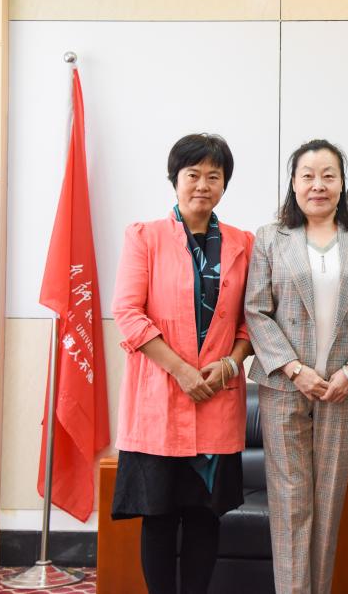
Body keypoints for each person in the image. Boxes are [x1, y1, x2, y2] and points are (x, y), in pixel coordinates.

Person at [244, 139, 348, 594]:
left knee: (328, 503)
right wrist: (292, 368)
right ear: (293, 183)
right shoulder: (271, 238)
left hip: (342, 390)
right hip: (285, 388)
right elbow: (256, 310)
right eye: (307, 176)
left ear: (343, 183)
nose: (318, 185)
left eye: (328, 175)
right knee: (290, 504)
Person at [111, 133, 254, 594]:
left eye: (214, 176)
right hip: (159, 400)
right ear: (175, 179)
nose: (203, 185)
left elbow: (253, 322)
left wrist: (229, 365)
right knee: (158, 517)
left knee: (204, 517)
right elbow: (128, 313)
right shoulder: (145, 237)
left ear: (225, 184)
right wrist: (181, 370)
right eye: (193, 175)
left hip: (217, 399)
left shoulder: (243, 243)